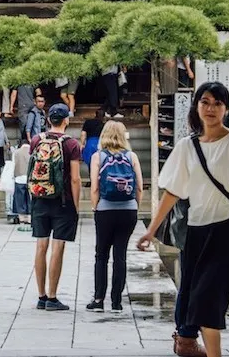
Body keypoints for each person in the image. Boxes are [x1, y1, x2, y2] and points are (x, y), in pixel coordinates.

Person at [137, 82, 229, 357]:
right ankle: (190, 343)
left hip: (228, 232)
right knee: (197, 298)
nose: (211, 109)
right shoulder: (187, 146)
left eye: (217, 104)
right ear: (196, 106)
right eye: (205, 102)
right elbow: (173, 193)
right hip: (195, 232)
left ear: (226, 109)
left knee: (208, 300)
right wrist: (151, 230)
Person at [29, 103, 82, 312]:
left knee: (41, 246)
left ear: (49, 120)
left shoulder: (36, 140)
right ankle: (52, 296)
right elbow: (75, 179)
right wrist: (76, 206)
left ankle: (41, 296)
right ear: (66, 120)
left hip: (40, 198)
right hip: (63, 201)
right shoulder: (71, 144)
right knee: (57, 248)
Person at [86, 120, 143, 313]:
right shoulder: (132, 156)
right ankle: (117, 301)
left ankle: (98, 298)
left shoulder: (98, 157)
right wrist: (135, 206)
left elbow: (94, 187)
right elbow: (140, 187)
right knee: (120, 255)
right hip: (128, 210)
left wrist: (95, 208)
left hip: (105, 210)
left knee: (101, 255)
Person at [12, 137, 32, 230]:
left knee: (20, 198)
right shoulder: (33, 152)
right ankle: (29, 217)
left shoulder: (16, 152)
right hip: (30, 178)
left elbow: (13, 165)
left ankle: (21, 217)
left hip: (19, 178)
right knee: (30, 198)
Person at [79, 109, 106, 175]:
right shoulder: (104, 125)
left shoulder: (88, 122)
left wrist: (82, 144)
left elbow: (83, 134)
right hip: (100, 143)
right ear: (104, 117)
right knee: (101, 162)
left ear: (95, 114)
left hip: (90, 143)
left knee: (90, 162)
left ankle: (91, 178)